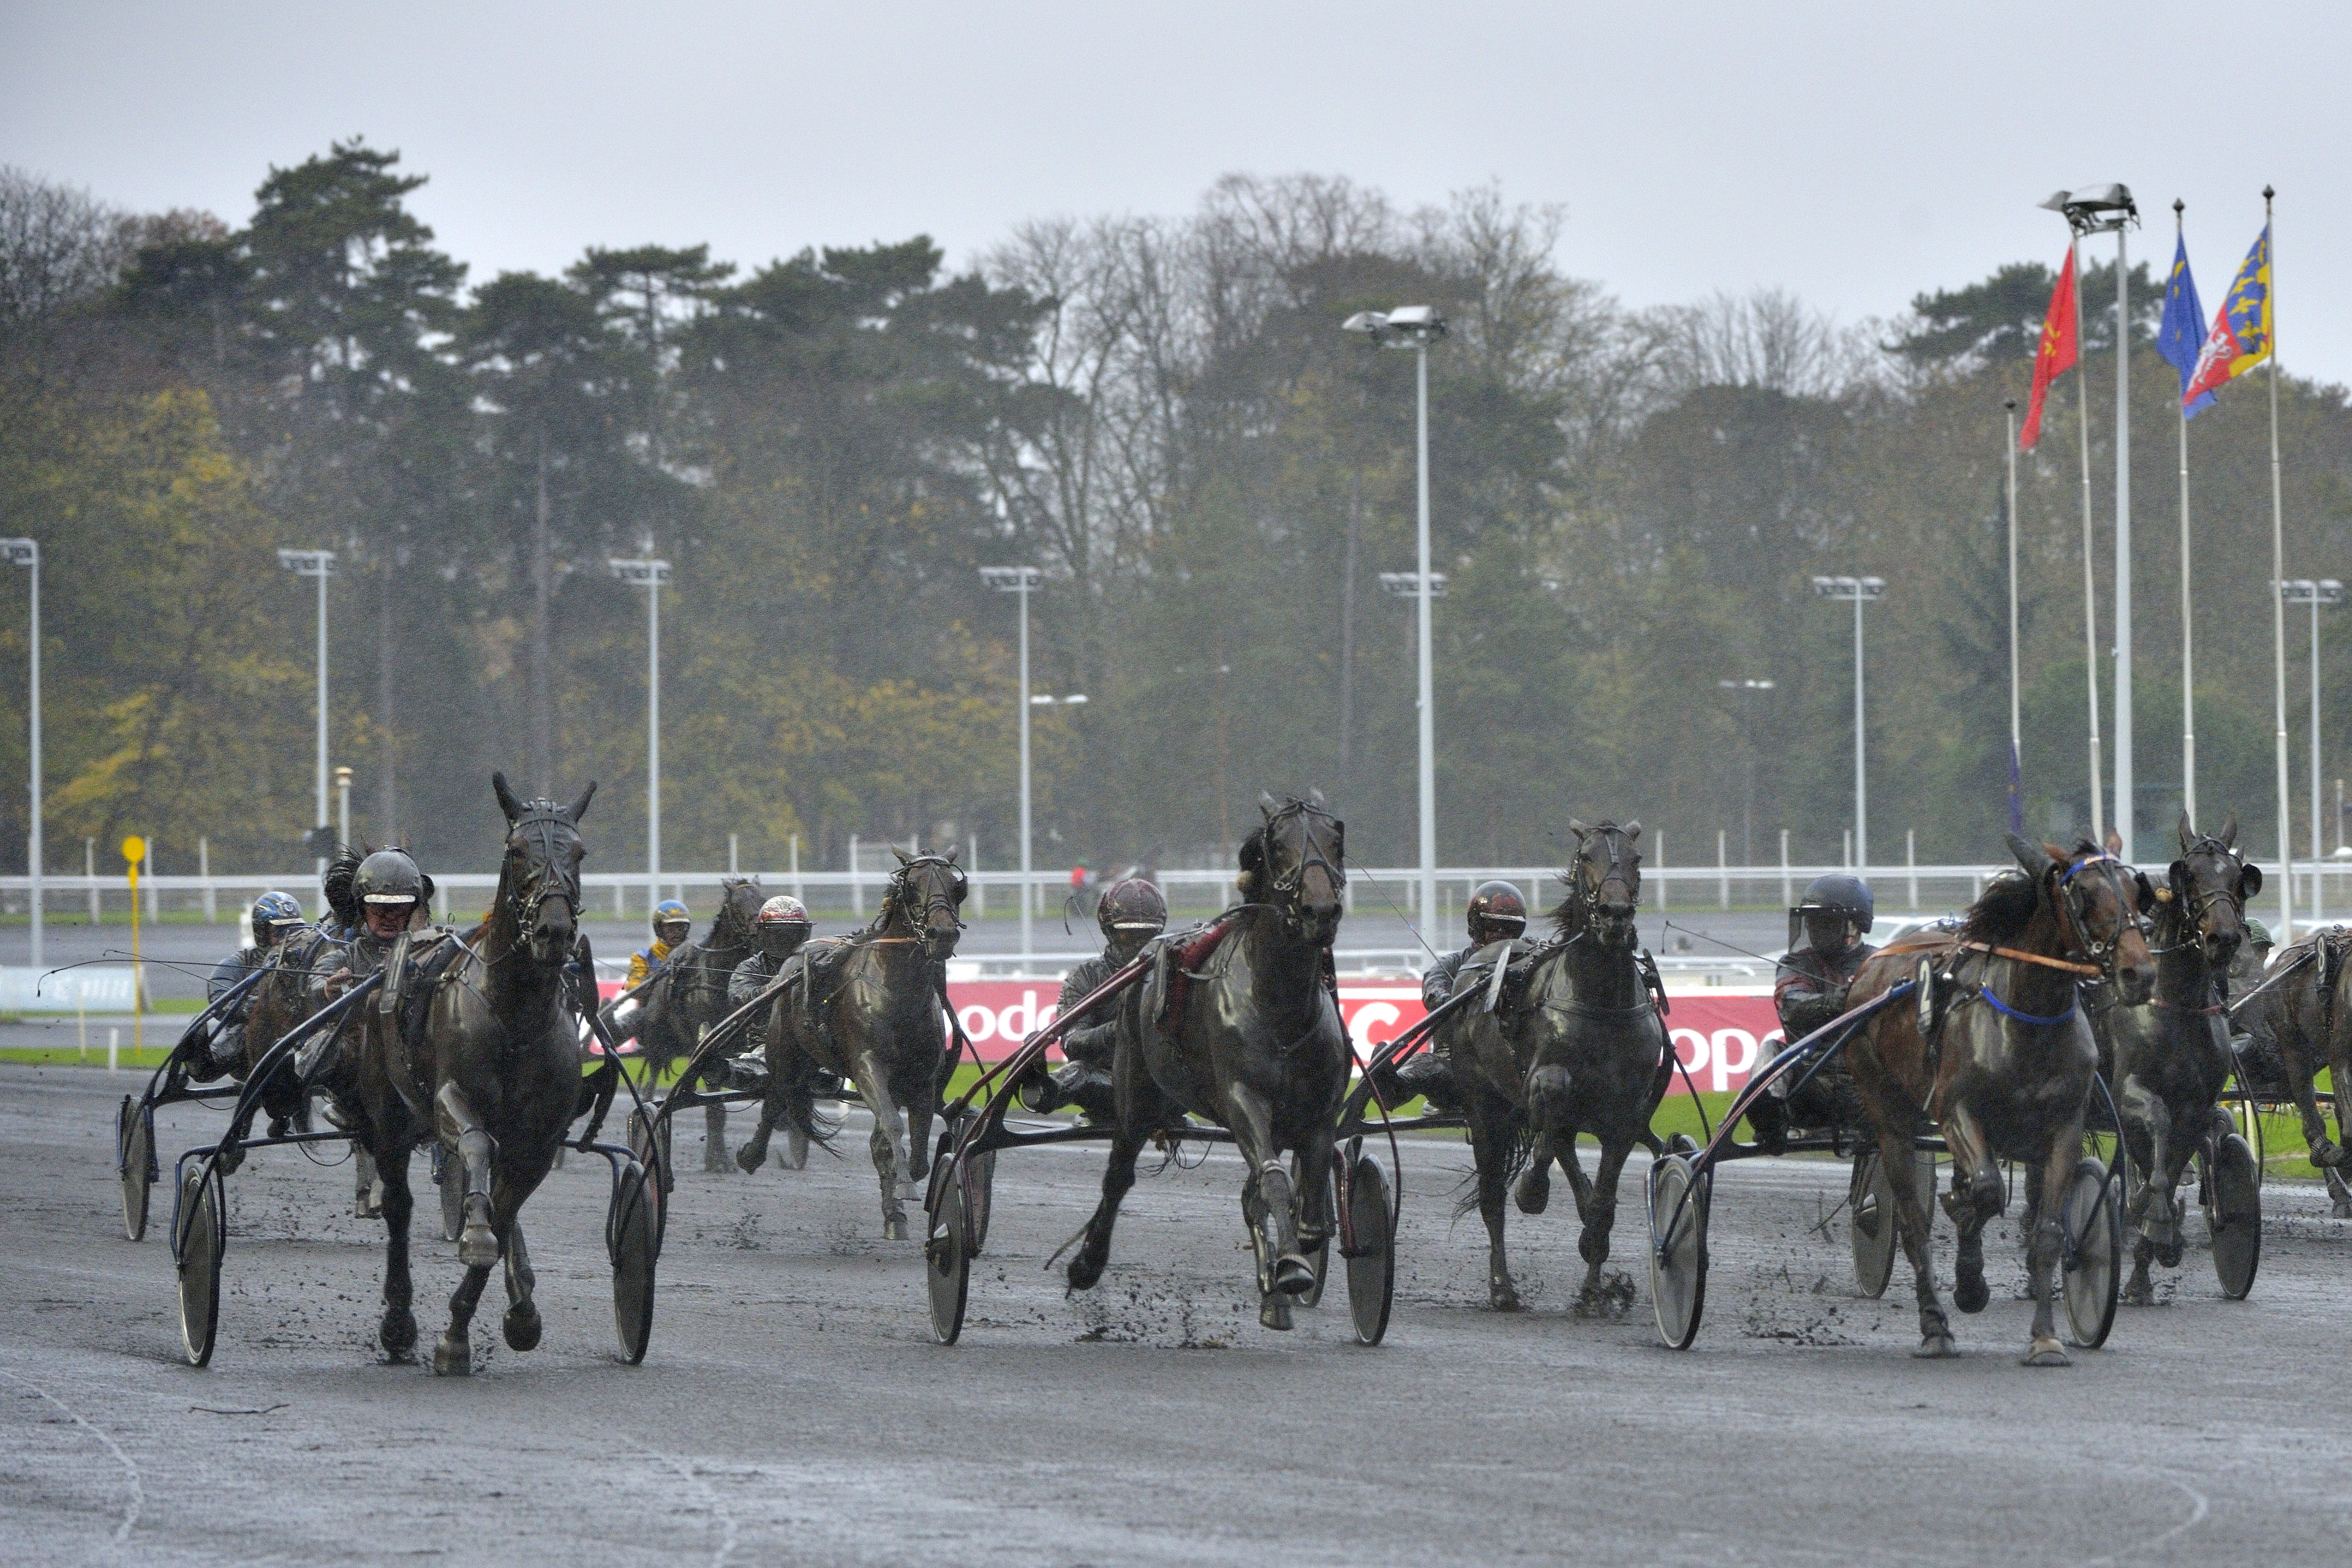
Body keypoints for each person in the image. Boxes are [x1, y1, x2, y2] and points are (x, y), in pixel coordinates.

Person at [1020, 877, 1168, 1119]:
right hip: (1113, 1085)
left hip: (1170, 1088)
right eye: (1127, 935)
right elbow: (1072, 1043)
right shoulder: (1086, 977)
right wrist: (1120, 1029)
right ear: (1109, 931)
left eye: (1145, 935)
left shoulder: (1173, 972)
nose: (1137, 944)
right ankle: (1042, 1090)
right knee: (1078, 1072)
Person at [1753, 872, 1880, 1150]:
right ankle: (1770, 1125)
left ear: (1852, 926)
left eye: (1825, 923)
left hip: (1866, 1085)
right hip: (1810, 1087)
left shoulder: (1879, 963)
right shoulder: (1795, 963)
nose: (1814, 930)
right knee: (1772, 1050)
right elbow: (1793, 1005)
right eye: (1811, 922)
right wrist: (1847, 999)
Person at [1381, 881, 1530, 1114]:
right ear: (1477, 926)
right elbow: (1433, 987)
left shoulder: (1527, 964)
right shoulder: (1452, 964)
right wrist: (1448, 1000)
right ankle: (1392, 1090)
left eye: (1508, 929)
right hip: (1459, 1068)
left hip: (1514, 1072)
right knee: (1426, 1064)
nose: (1501, 936)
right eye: (1493, 927)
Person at [194, 890, 307, 1081]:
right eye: (279, 932)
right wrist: (263, 1008)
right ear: (262, 933)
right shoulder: (240, 962)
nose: (288, 938)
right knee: (251, 1028)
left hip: (297, 1045)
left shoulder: (308, 960)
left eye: (295, 931)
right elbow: (220, 1000)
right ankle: (204, 1064)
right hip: (249, 1053)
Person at [725, 896, 815, 1066]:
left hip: (811, 1043)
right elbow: (738, 998)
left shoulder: (816, 963)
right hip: (764, 1042)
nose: (785, 941)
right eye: (778, 935)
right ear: (764, 934)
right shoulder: (751, 967)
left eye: (792, 935)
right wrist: (770, 989)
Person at [627, 899, 693, 989]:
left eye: (681, 928)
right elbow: (632, 987)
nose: (677, 932)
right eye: (670, 929)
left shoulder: (695, 955)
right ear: (659, 930)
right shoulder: (643, 957)